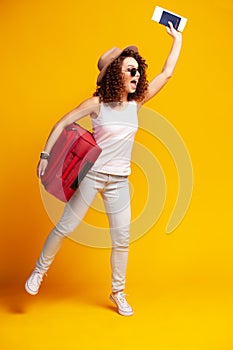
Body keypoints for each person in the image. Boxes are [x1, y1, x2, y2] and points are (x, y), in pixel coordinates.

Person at [25, 22, 182, 316]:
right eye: (130, 70)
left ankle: (118, 292)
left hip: (119, 182)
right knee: (65, 227)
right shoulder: (97, 104)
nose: (137, 75)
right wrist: (45, 154)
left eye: (138, 70)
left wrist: (177, 39)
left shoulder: (136, 104)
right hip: (93, 176)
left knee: (122, 239)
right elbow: (62, 122)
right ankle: (38, 271)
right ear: (115, 74)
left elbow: (167, 73)